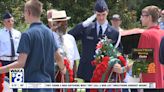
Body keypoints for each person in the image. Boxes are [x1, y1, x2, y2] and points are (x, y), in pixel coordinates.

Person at [0, 0, 66, 92]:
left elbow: (20, 63)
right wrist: (63, 68)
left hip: (32, 85)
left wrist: (0, 70)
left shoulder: (27, 35)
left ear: (28, 12)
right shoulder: (50, 33)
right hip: (48, 85)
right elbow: (58, 57)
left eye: (24, 12)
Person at [68, 0, 124, 82]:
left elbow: (119, 52)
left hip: (106, 72)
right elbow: (70, 35)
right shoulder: (87, 28)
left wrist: (117, 65)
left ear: (107, 12)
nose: (101, 18)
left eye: (103, 14)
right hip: (88, 72)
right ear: (94, 14)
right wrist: (83, 24)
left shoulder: (114, 33)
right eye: (98, 15)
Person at [138, 5, 164, 88]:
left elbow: (141, 62)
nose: (140, 18)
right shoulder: (162, 33)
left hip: (150, 82)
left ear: (149, 17)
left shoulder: (146, 35)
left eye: (142, 16)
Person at [48, 10, 80, 74]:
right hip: (54, 76)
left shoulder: (70, 38)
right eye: (63, 25)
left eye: (66, 24)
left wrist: (74, 77)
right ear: (55, 25)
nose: (66, 27)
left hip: (69, 77)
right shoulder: (49, 38)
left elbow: (74, 60)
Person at [0, 12, 21, 92]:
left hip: (16, 62)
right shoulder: (0, 34)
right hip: (3, 62)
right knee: (1, 86)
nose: (11, 23)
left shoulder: (18, 33)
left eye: (12, 21)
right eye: (8, 21)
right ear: (4, 22)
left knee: (18, 88)